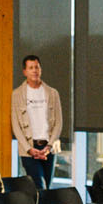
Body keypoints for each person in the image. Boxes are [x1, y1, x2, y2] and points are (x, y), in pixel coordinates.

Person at [10, 55, 63, 192]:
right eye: (31, 68)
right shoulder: (17, 95)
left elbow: (58, 122)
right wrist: (29, 148)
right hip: (29, 149)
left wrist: (49, 146)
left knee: (47, 188)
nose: (34, 70)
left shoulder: (52, 93)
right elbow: (16, 125)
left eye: (37, 67)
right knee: (39, 186)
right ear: (25, 71)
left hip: (48, 148)